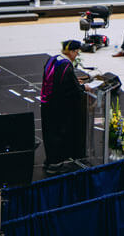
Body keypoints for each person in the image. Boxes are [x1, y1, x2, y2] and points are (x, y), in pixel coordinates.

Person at [40, 40, 86, 173]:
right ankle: (55, 164)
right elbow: (69, 88)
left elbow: (55, 80)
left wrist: (74, 80)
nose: (77, 55)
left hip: (46, 104)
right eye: (76, 52)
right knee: (58, 133)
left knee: (48, 132)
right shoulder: (66, 65)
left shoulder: (53, 59)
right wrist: (83, 87)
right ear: (71, 51)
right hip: (58, 107)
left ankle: (49, 160)